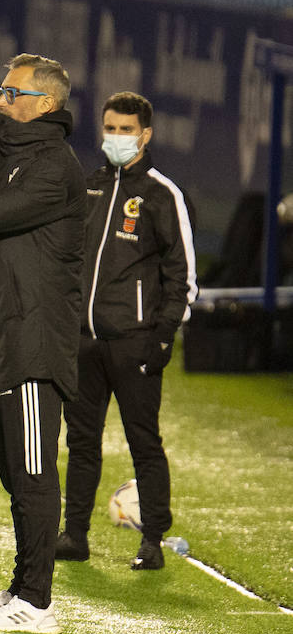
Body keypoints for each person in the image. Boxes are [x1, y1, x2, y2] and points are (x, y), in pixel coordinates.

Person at [0, 54, 86, 633]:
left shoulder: (54, 166)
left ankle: (37, 602)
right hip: (9, 335)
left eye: (12, 93)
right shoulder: (20, 156)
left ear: (46, 105)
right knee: (13, 469)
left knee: (33, 471)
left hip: (33, 342)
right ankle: (20, 589)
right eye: (1, 90)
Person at [57, 92, 197, 570]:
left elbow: (183, 277)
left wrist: (162, 337)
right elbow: (71, 259)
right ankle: (74, 534)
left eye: (125, 129)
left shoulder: (162, 194)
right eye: (110, 128)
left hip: (135, 342)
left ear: (146, 134)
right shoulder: (91, 185)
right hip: (85, 340)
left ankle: (152, 541)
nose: (116, 137)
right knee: (81, 441)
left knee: (143, 440)